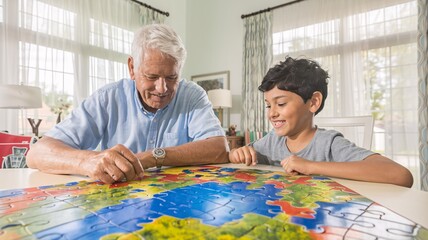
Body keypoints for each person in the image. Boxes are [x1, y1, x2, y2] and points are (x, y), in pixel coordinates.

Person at [27, 24, 229, 183]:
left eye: (171, 77)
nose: (162, 88)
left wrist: (153, 156)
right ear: (132, 67)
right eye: (151, 76)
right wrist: (88, 161)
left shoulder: (192, 95)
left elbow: (219, 148)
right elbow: (37, 153)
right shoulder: (107, 98)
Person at [228, 56, 413, 188]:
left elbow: (401, 175)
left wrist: (310, 166)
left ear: (314, 102)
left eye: (281, 103)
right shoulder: (271, 141)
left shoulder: (329, 143)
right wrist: (237, 153)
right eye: (268, 106)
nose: (272, 113)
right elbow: (233, 155)